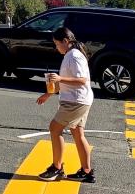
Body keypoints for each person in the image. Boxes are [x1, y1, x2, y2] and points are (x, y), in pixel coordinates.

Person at [36, 27, 95, 183]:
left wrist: (60, 78)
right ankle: (86, 171)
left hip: (75, 101)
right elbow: (69, 80)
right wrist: (48, 94)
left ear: (65, 41)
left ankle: (57, 168)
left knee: (55, 129)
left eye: (57, 44)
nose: (56, 48)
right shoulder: (71, 54)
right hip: (80, 100)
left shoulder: (74, 56)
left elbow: (82, 80)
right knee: (77, 133)